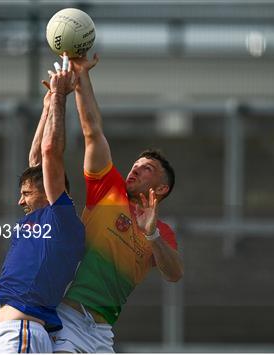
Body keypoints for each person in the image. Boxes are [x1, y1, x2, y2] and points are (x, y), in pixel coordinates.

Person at [51, 53, 184, 353]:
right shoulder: (107, 189)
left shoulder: (160, 232)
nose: (135, 169)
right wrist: (83, 75)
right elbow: (92, 131)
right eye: (135, 164)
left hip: (101, 331)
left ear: (161, 188)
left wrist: (151, 236)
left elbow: (175, 274)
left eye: (146, 168)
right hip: (68, 317)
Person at [0, 55, 85, 353]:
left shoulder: (62, 219)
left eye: (26, 193)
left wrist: (61, 96)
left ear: (48, 192)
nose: (19, 199)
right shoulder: (45, 216)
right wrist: (48, 106)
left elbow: (49, 153)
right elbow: (37, 159)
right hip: (3, 334)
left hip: (22, 334)